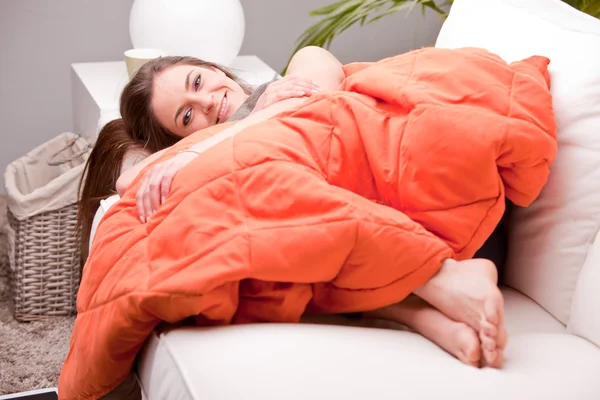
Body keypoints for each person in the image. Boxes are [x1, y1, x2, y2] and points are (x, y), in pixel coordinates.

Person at [78, 46, 506, 370]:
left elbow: (316, 90)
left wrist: (230, 134)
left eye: (197, 82)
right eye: (186, 117)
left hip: (440, 194)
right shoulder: (208, 154)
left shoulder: (297, 69)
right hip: (420, 231)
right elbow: (127, 182)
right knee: (249, 262)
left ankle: (437, 278)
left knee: (265, 188)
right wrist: (208, 145)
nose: (206, 101)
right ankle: (417, 311)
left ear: (214, 69)